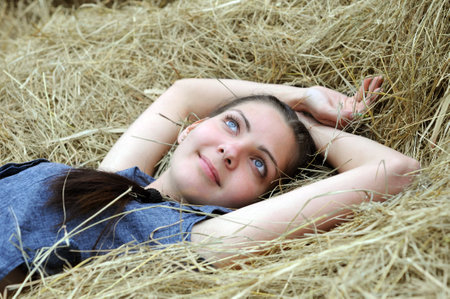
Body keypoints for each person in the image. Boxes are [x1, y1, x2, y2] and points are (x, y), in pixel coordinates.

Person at [0, 77, 419, 294]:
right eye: (232, 125)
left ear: (256, 199)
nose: (229, 152)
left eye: (259, 162)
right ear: (189, 130)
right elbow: (185, 93)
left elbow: (396, 170)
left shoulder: (191, 237)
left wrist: (310, 128)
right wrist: (302, 97)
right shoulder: (115, 177)